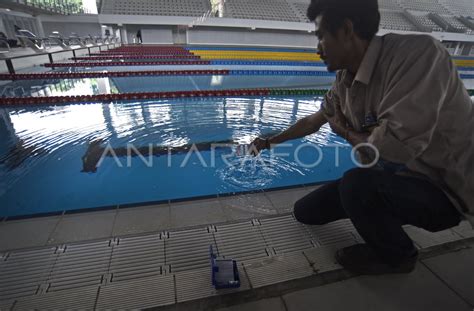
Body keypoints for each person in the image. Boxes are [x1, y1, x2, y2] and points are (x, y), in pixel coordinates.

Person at [250, 0, 474, 275]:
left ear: (346, 30)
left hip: (446, 192)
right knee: (306, 211)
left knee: (356, 185)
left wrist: (344, 131)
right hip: (398, 179)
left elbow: (391, 151)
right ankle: (382, 215)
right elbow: (313, 121)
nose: (318, 48)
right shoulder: (345, 81)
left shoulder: (418, 56)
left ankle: (399, 256)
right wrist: (270, 140)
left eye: (321, 37)